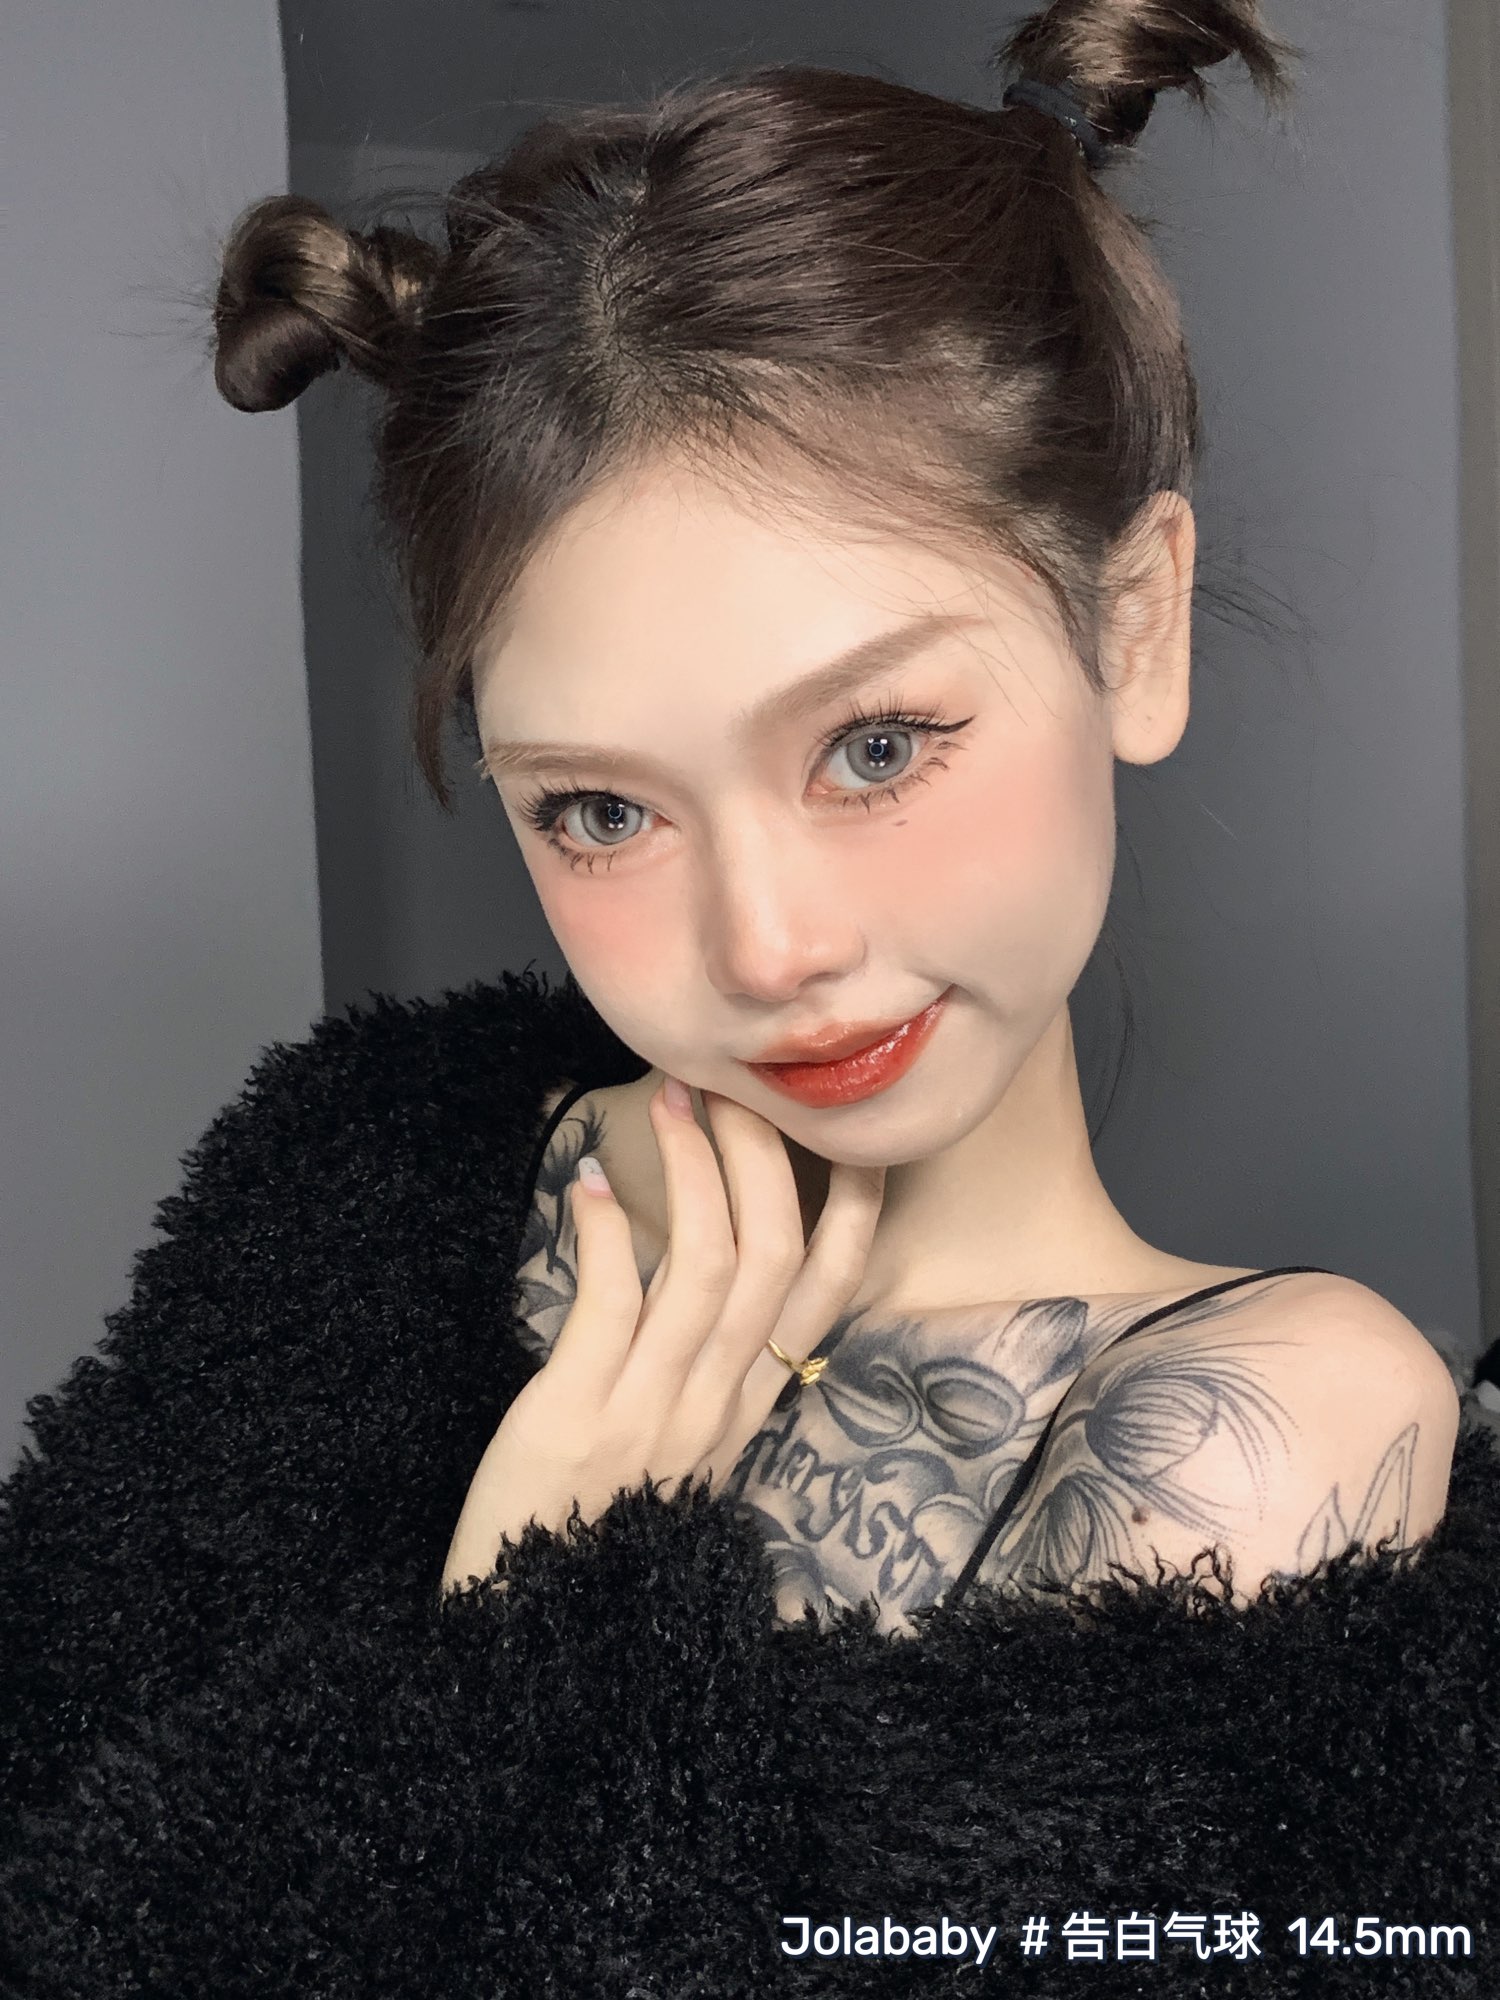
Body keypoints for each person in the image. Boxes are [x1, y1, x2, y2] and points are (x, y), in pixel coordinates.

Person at [3, 3, 1495, 1992]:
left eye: (877, 745)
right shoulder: (368, 1188)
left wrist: (532, 1626)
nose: (767, 948)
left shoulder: (1253, 1416)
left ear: (1132, 627)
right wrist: (507, 1612)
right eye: (604, 810)